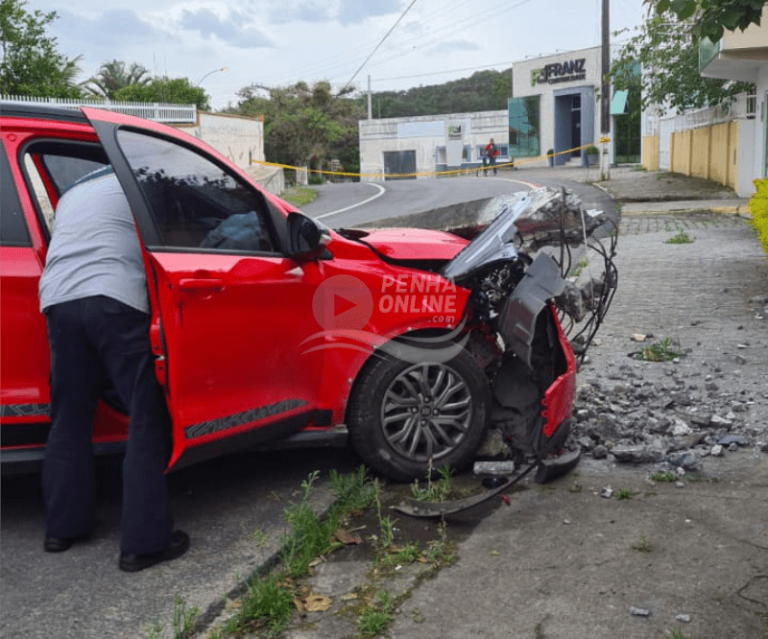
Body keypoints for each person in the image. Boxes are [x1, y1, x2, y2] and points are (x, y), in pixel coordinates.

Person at [38, 166, 189, 572]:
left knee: (69, 415)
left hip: (58, 299)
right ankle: (145, 543)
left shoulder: (72, 193)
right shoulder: (141, 178)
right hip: (114, 297)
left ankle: (62, 529)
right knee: (143, 414)